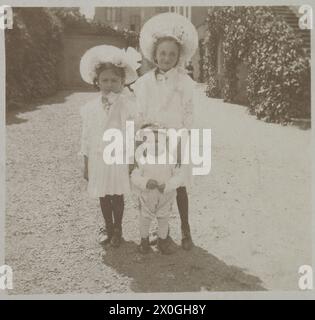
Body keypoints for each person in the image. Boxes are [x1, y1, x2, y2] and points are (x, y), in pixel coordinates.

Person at [132, 12, 199, 250]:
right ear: (154, 55)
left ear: (179, 56)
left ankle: (186, 231)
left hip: (176, 139)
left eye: (172, 54)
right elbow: (139, 112)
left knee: (177, 184)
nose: (167, 58)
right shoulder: (144, 83)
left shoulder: (184, 83)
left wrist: (184, 137)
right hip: (152, 140)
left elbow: (189, 113)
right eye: (162, 53)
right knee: (153, 183)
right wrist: (141, 135)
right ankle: (159, 232)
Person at [79, 45, 141, 247]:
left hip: (119, 157)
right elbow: (87, 137)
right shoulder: (90, 109)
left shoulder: (128, 107)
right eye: (105, 80)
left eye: (114, 80)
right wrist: (86, 162)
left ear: (123, 82)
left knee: (117, 193)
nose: (109, 84)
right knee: (103, 193)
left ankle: (118, 229)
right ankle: (107, 225)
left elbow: (132, 134)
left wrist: (131, 160)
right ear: (97, 82)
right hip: (98, 157)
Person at [131, 125, 184, 255]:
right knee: (145, 218)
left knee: (164, 219)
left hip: (165, 196)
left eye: (158, 141)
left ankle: (162, 241)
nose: (155, 144)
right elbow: (135, 176)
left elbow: (178, 177)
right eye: (151, 141)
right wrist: (145, 183)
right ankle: (144, 241)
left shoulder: (170, 159)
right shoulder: (142, 159)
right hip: (148, 196)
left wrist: (168, 185)